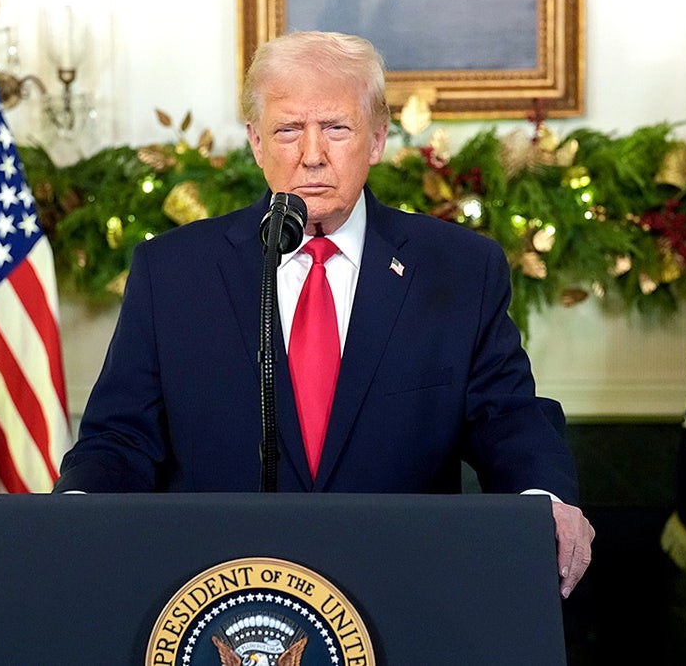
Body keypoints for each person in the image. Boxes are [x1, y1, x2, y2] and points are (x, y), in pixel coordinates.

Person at [54, 31, 594, 598]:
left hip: (402, 591)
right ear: (257, 144)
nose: (312, 154)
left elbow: (507, 417)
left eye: (336, 128)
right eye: (288, 130)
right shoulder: (173, 271)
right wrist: (75, 511)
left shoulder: (458, 268)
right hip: (220, 599)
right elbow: (121, 437)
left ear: (378, 139)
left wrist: (545, 503)